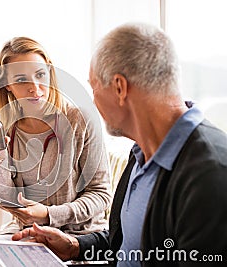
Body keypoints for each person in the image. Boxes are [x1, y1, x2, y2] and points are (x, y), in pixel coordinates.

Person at [12, 23, 227, 266]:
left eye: (93, 87)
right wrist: (74, 246)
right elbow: (127, 245)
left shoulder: (211, 175)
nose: (93, 101)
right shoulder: (140, 155)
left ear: (119, 88)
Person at [0, 37, 112, 266]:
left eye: (40, 75)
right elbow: (8, 202)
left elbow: (101, 195)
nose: (35, 88)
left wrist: (49, 214)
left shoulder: (80, 120)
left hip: (79, 237)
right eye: (21, 79)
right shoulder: (5, 126)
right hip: (25, 234)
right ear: (6, 84)